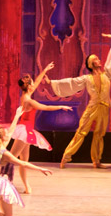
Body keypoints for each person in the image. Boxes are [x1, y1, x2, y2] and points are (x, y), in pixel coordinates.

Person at [45, 33, 111, 169]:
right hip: (92, 107)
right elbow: (71, 82)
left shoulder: (107, 75)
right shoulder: (86, 78)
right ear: (90, 64)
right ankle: (66, 156)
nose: (98, 59)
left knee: (99, 134)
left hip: (104, 108)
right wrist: (52, 82)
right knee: (81, 132)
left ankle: (96, 161)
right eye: (95, 59)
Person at [10, 62, 72, 194]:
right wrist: (61, 106)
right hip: (24, 130)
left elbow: (37, 82)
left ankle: (26, 187)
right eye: (32, 83)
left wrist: (44, 70)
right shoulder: (29, 101)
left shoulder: (26, 95)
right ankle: (3, 181)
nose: (35, 84)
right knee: (11, 158)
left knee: (23, 161)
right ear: (29, 86)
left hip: (27, 130)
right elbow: (46, 108)